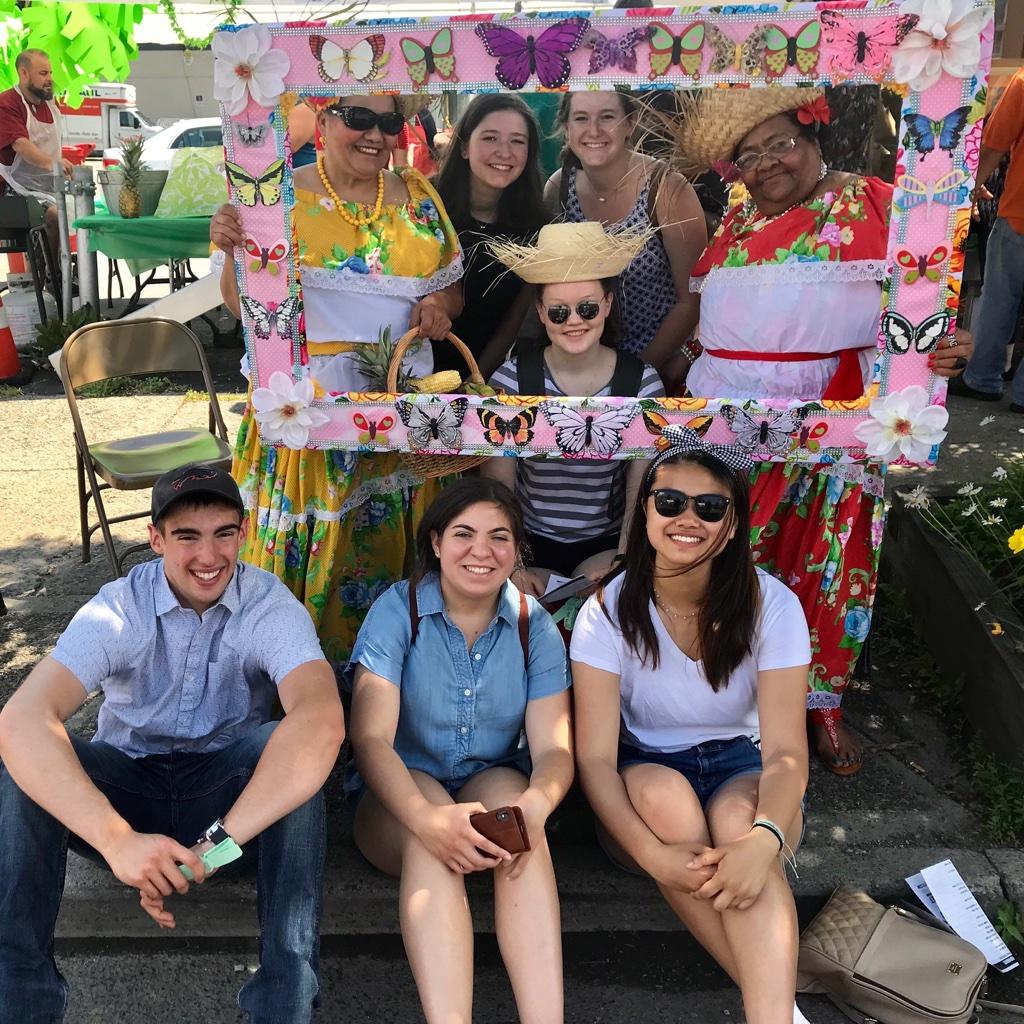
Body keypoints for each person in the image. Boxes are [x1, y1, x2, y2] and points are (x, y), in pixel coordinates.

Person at [672, 87, 972, 774]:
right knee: (729, 560)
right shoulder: (740, 219)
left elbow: (927, 299)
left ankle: (818, 705)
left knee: (826, 562)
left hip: (832, 411)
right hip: (729, 416)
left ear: (812, 134)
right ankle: (734, 701)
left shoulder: (869, 200)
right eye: (748, 155)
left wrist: (942, 347)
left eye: (779, 142)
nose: (767, 162)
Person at [0, 464, 344, 1024]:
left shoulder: (268, 604)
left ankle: (285, 1004)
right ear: (156, 539)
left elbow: (322, 717)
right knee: (20, 762)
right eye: (187, 536)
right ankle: (19, 1003)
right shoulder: (120, 607)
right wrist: (117, 842)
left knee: (295, 751)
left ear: (243, 534)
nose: (208, 556)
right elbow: (23, 717)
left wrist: (216, 849)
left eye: (223, 534)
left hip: (228, 806)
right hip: (126, 794)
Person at [571, 426, 813, 1024]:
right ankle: (778, 1003)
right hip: (646, 776)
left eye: (710, 507)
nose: (688, 518)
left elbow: (785, 752)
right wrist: (653, 859)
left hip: (741, 762)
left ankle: (771, 1015)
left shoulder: (773, 604)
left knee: (739, 822)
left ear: (732, 525)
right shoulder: (605, 611)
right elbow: (596, 760)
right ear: (646, 512)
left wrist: (765, 841)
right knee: (667, 797)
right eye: (670, 502)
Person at [211, 92, 464, 663]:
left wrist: (438, 307)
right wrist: (233, 249)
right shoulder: (274, 196)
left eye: (389, 121)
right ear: (322, 119)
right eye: (358, 118)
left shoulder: (420, 196)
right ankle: (304, 696)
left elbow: (451, 287)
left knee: (397, 564)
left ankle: (391, 691)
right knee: (310, 567)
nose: (375, 134)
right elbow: (240, 305)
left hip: (400, 422)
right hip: (305, 419)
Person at [348, 478, 572, 1024]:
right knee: (433, 836)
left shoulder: (532, 625)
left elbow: (554, 750)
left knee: (520, 830)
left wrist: (537, 807)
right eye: (464, 534)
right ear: (434, 542)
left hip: (488, 776)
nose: (481, 551)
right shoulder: (397, 611)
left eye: (500, 537)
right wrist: (426, 818)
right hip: (397, 798)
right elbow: (371, 738)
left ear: (518, 548)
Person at [483, 221, 664, 591]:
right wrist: (514, 564)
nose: (575, 322)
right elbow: (499, 485)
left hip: (608, 542)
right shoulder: (510, 381)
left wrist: (623, 560)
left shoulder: (641, 384)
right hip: (526, 542)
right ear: (540, 312)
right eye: (559, 312)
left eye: (587, 308)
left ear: (608, 304)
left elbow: (641, 490)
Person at [545, 89, 707, 387]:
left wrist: (635, 375)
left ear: (630, 123)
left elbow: (693, 297)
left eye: (607, 117)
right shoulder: (558, 189)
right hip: (579, 369)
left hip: (656, 365)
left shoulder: (665, 190)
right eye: (581, 118)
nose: (594, 130)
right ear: (567, 129)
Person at [433, 94, 549, 378]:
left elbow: (514, 320)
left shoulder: (537, 227)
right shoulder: (426, 206)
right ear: (464, 148)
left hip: (484, 378)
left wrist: (478, 381)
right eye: (490, 138)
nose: (504, 152)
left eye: (517, 141)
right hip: (410, 369)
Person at [953, 66, 1024, 412]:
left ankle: (983, 377)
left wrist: (969, 188)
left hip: (1020, 215)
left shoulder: (1023, 80)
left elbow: (994, 145)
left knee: (1000, 298)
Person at [0, 49, 73, 264]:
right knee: (53, 215)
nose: (49, 79)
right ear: (24, 74)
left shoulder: (51, 105)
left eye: (50, 73)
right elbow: (21, 145)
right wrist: (54, 164)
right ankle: (49, 276)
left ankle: (73, 274)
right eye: (43, 73)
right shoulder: (7, 103)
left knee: (87, 212)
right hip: (14, 190)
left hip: (50, 186)